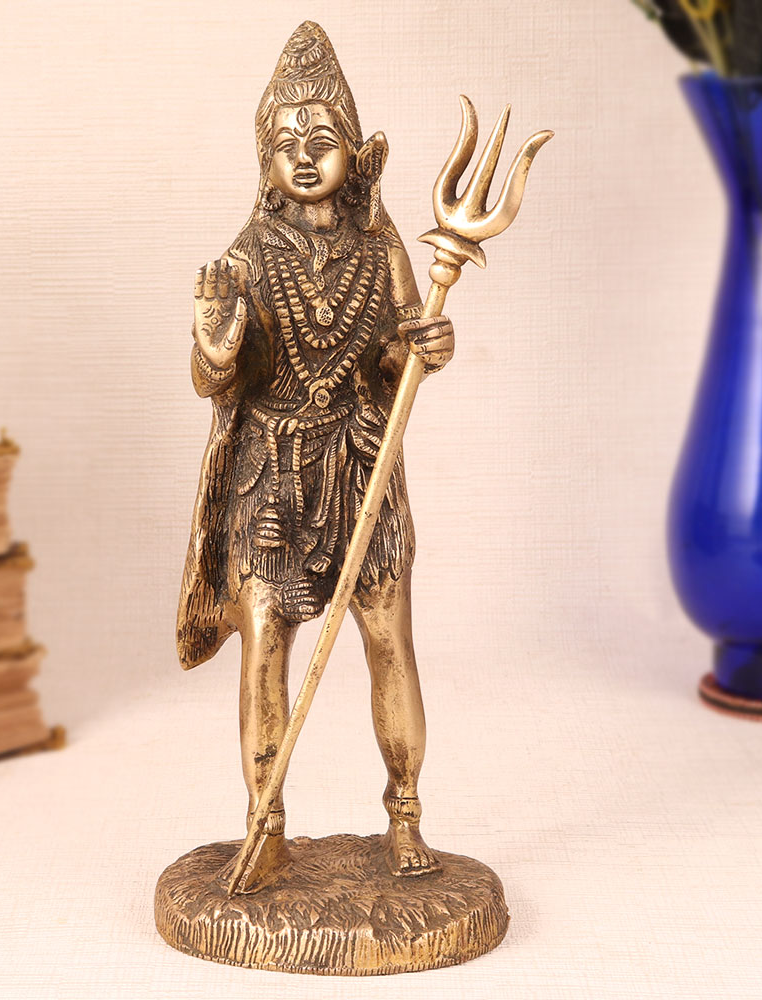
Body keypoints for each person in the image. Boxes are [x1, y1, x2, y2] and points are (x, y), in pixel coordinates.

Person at [176, 21, 454, 890]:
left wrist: (426, 347)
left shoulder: (381, 246)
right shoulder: (247, 257)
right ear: (264, 159)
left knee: (389, 638)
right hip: (270, 478)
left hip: (361, 467)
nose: (304, 156)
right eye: (285, 142)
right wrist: (215, 346)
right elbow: (215, 380)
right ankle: (265, 824)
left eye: (323, 138)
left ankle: (405, 814)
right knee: (265, 643)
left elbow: (398, 355)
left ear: (355, 153)